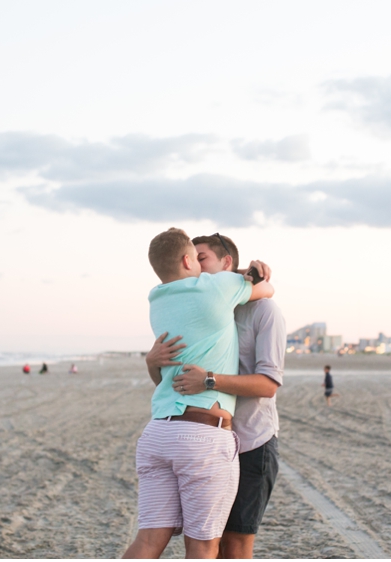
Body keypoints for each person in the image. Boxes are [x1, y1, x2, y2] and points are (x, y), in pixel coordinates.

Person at [123, 228, 274, 559]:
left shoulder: (157, 297)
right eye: (197, 257)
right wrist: (250, 273)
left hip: (158, 433)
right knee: (203, 547)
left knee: (148, 541)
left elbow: (163, 375)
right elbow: (267, 288)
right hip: (202, 437)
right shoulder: (215, 287)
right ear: (188, 259)